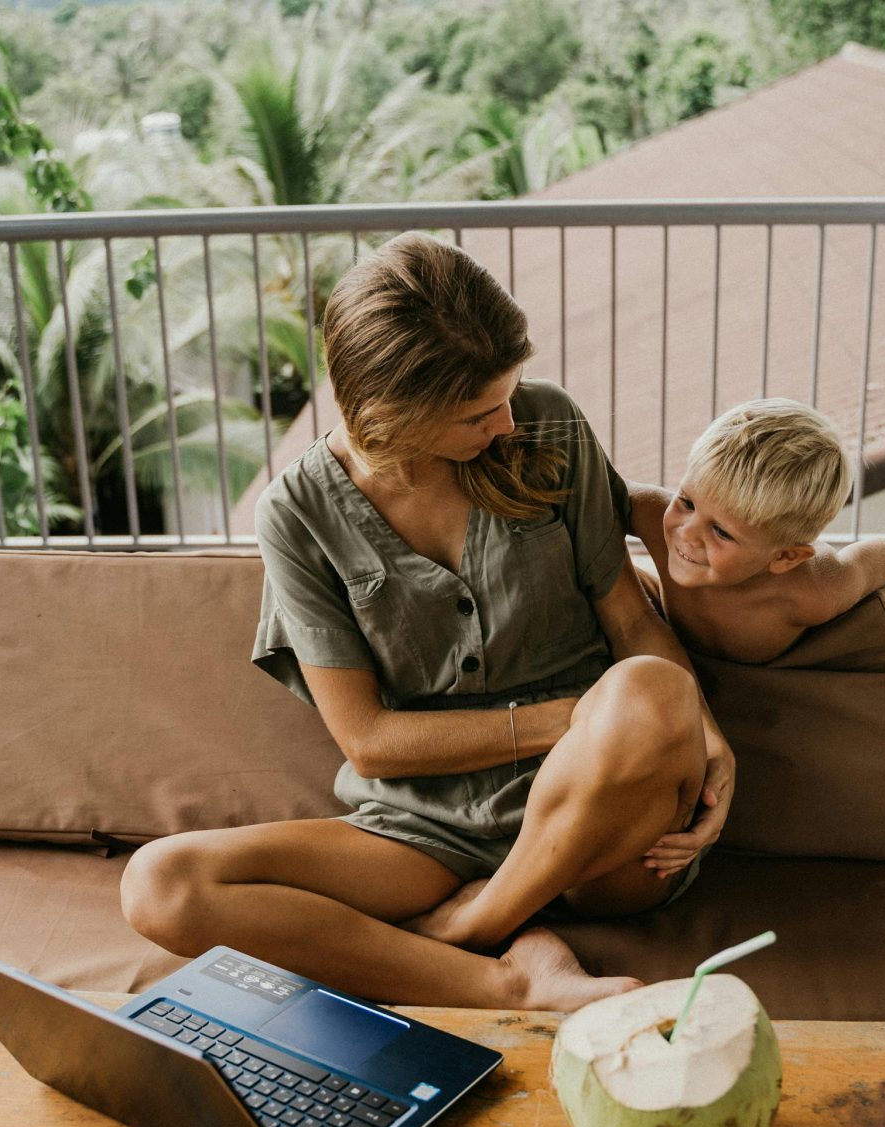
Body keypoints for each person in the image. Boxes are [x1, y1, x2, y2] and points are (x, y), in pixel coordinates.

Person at [120, 233, 735, 1012]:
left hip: (601, 827)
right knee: (160, 886)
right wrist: (572, 720)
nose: (508, 423)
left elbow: (631, 621)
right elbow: (371, 744)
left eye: (508, 395)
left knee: (651, 687)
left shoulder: (547, 429)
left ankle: (479, 921)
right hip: (425, 831)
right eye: (478, 413)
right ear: (389, 418)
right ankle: (506, 981)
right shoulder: (298, 514)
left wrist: (705, 734)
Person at [623, 399, 885, 669]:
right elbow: (592, 483)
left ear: (786, 557)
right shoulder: (654, 515)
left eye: (721, 532)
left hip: (780, 675)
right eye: (687, 502)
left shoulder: (814, 593)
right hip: (681, 656)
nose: (688, 532)